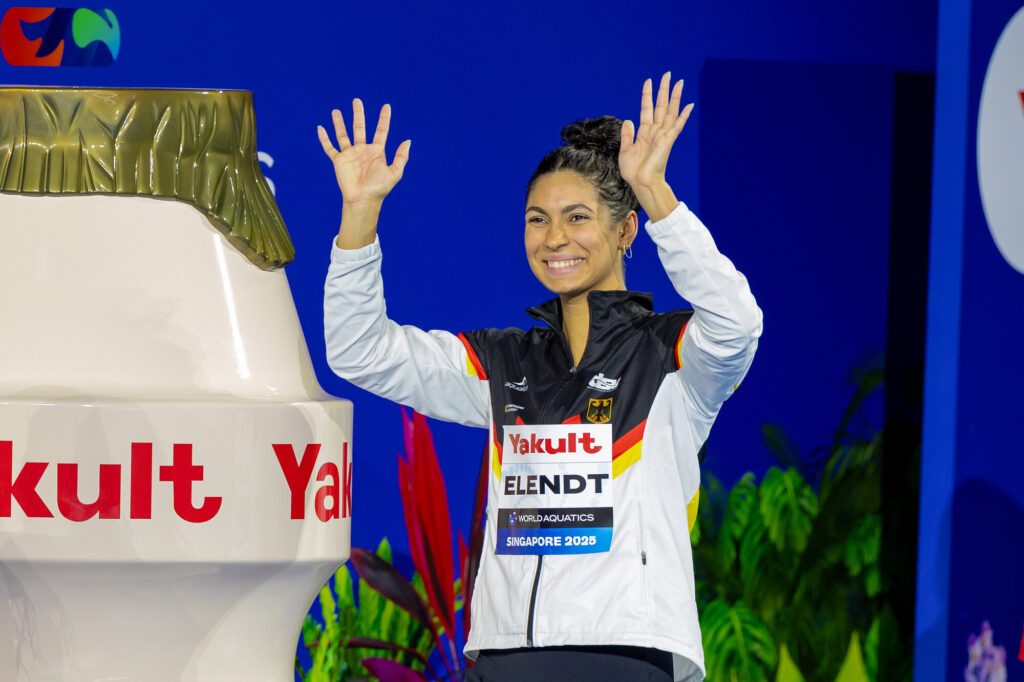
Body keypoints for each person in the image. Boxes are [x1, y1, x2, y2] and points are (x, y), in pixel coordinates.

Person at [319, 73, 762, 682]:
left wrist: (655, 193)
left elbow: (738, 322)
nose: (555, 238)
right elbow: (360, 351)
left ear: (625, 230)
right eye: (537, 219)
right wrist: (360, 216)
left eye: (577, 217)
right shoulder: (504, 362)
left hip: (623, 653)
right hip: (503, 655)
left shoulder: (673, 358)